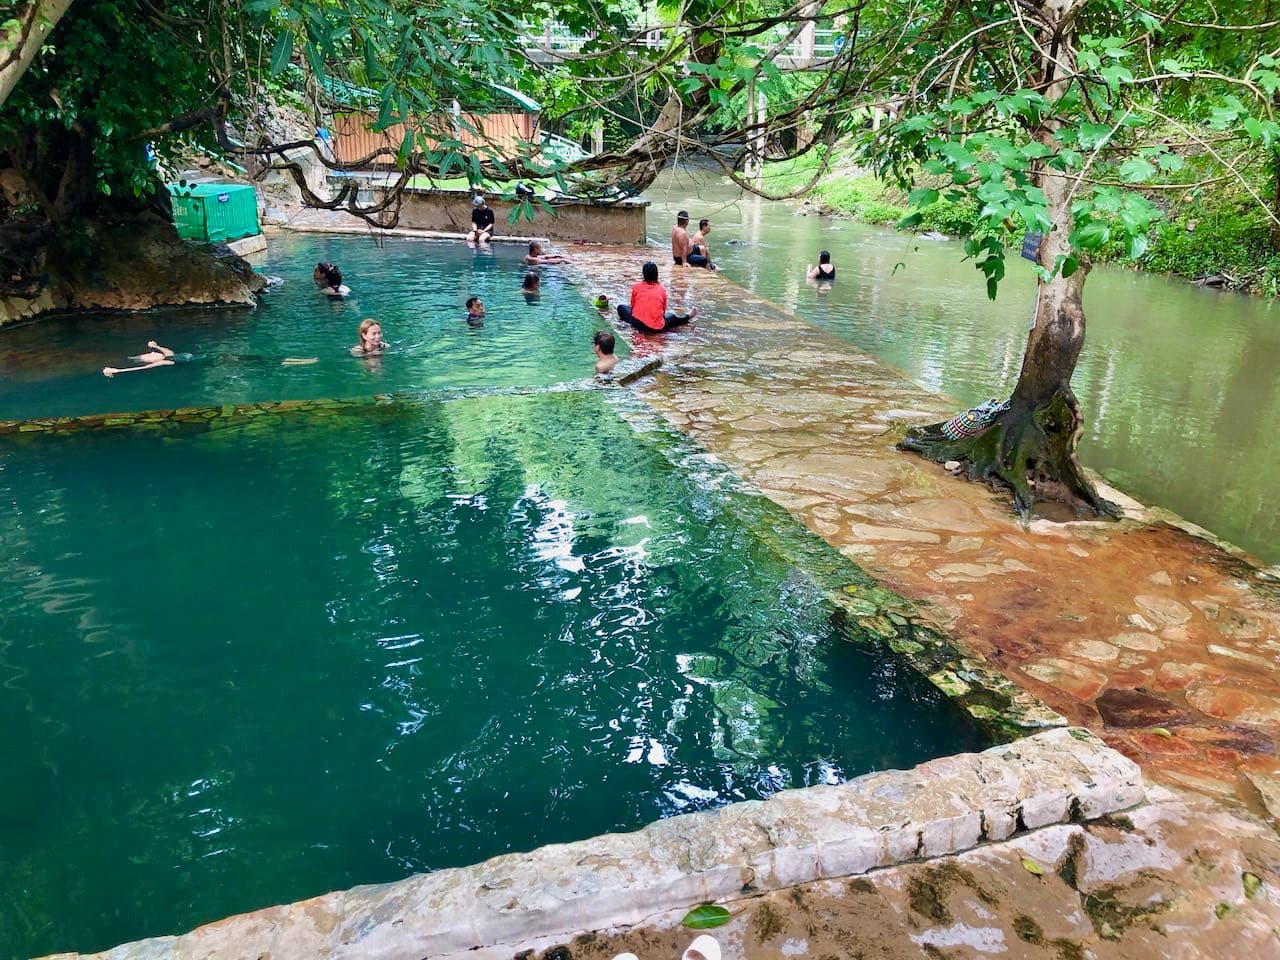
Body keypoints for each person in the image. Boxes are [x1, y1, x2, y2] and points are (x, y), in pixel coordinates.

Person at [103, 341, 316, 376]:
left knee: (262, 358)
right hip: (220, 361)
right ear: (150, 361)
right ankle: (304, 363)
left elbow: (166, 349)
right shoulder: (165, 362)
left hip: (220, 357)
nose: (151, 355)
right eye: (148, 356)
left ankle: (303, 360)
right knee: (261, 362)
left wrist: (155, 346)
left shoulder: (168, 355)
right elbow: (141, 369)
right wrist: (119, 370)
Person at [616, 261, 697, 333]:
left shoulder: (636, 287)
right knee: (672, 316)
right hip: (656, 328)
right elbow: (663, 311)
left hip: (637, 324)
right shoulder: (661, 289)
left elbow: (633, 308)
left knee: (621, 308)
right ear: (656, 275)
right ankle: (688, 316)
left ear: (643, 275)